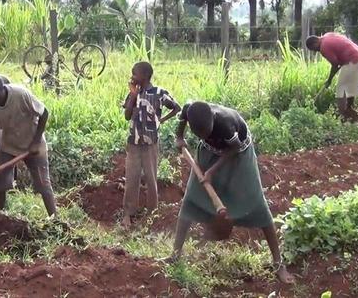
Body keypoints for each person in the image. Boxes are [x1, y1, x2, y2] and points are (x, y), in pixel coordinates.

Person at [167, 101, 295, 284]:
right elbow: (182, 121)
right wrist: (180, 137)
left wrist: (211, 171)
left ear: (213, 119)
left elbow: (234, 149)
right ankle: (175, 255)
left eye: (207, 132)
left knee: (256, 203)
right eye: (200, 134)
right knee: (191, 199)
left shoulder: (226, 123)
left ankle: (278, 263)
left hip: (238, 156)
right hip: (209, 152)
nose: (204, 135)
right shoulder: (190, 109)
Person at [0, 74, 57, 216]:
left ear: (3, 89)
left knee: (43, 183)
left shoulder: (20, 94)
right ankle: (0, 217)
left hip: (33, 142)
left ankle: (56, 220)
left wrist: (35, 142)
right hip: (8, 144)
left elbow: (44, 113)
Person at [121, 61, 180, 227]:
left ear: (145, 76)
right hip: (133, 142)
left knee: (151, 178)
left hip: (150, 143)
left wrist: (161, 120)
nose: (132, 77)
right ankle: (128, 214)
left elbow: (176, 107)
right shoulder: (133, 93)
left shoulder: (159, 93)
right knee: (131, 178)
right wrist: (133, 95)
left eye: (135, 74)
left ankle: (152, 214)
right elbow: (127, 115)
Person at [306, 33, 358, 118]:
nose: (316, 51)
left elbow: (335, 64)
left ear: (315, 42)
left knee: (341, 88)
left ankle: (342, 114)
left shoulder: (324, 47)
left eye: (314, 49)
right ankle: (349, 109)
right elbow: (338, 56)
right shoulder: (327, 35)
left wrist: (329, 80)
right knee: (349, 85)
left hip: (353, 61)